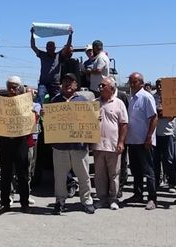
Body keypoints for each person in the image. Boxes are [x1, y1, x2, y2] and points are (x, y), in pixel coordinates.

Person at [48, 73, 96, 215]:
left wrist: (95, 119)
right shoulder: (54, 101)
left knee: (84, 176)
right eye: (65, 81)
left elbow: (90, 123)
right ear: (61, 85)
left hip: (79, 146)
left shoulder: (83, 102)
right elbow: (49, 124)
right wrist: (46, 116)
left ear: (76, 85)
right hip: (60, 147)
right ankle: (60, 201)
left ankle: (87, 201)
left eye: (71, 82)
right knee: (60, 177)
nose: (67, 84)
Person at [0, 76, 35, 215]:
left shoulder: (26, 103)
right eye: (10, 86)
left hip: (21, 141)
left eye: (15, 87)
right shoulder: (1, 102)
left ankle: (24, 203)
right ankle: (4, 203)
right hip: (5, 141)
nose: (12, 89)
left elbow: (34, 117)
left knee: (22, 174)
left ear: (20, 88)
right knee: (5, 174)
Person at [124, 72, 158, 210]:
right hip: (133, 141)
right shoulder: (132, 98)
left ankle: (152, 198)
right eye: (130, 82)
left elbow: (154, 118)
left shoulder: (146, 97)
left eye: (135, 82)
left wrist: (149, 137)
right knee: (136, 170)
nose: (132, 85)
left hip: (145, 141)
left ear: (142, 83)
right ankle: (137, 194)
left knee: (148, 170)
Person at [94, 77, 128, 210]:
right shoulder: (95, 103)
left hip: (113, 145)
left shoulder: (119, 103)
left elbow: (124, 124)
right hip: (97, 145)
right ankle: (102, 199)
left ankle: (113, 199)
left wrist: (121, 142)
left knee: (114, 174)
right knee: (100, 174)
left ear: (112, 88)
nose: (101, 88)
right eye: (100, 85)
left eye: (103, 85)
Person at [30, 26, 73, 104]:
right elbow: (33, 46)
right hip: (43, 84)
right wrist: (32, 34)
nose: (49, 48)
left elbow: (67, 46)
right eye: (48, 47)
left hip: (55, 85)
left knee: (56, 101)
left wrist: (70, 35)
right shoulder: (42, 55)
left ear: (54, 48)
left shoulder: (59, 55)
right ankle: (39, 114)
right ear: (46, 48)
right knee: (40, 97)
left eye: (51, 47)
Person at [152, 79, 176, 194]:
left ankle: (171, 182)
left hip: (168, 133)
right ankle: (156, 182)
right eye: (158, 85)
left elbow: (171, 115)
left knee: (169, 159)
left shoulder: (172, 97)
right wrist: (160, 113)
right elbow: (152, 114)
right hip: (155, 133)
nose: (159, 87)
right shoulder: (152, 97)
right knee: (155, 160)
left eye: (161, 85)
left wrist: (161, 113)